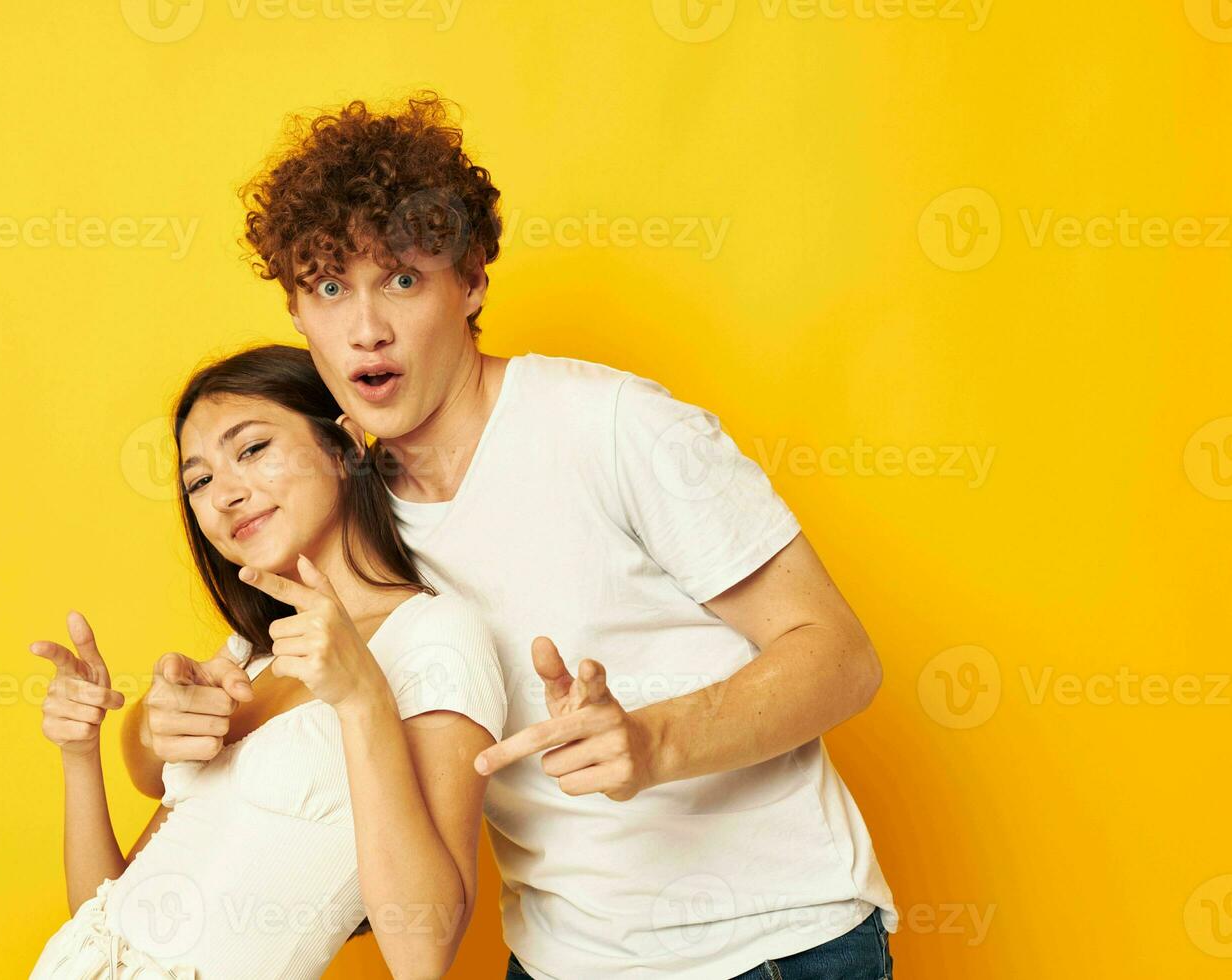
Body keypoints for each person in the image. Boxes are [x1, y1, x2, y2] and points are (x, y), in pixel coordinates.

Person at [126, 91, 898, 979]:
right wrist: (150, 726)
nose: (366, 326)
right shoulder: (340, 507)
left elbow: (840, 656)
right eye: (331, 287)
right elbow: (230, 717)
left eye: (403, 279)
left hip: (773, 947)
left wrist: (657, 741)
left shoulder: (610, 424)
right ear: (298, 313)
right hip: (563, 961)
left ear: (473, 282)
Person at [27, 344, 506, 979]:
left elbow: (424, 952)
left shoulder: (437, 636)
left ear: (345, 448)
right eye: (199, 480)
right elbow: (99, 927)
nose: (224, 494)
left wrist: (362, 701)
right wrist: (79, 752)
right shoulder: (247, 660)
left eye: (251, 449)